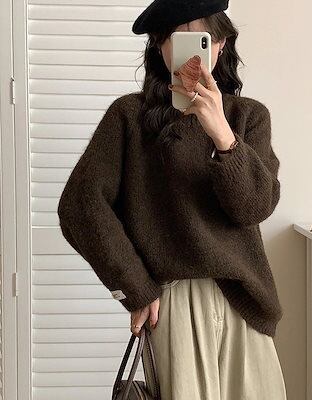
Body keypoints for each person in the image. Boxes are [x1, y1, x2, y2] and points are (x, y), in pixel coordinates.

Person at [57, 0, 287, 399]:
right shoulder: (129, 117)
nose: (190, 51)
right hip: (174, 304)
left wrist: (222, 134)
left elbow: (254, 208)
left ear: (220, 44)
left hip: (244, 304)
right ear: (159, 47)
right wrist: (135, 286)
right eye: (175, 40)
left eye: (201, 39)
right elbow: (80, 205)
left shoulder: (249, 117)